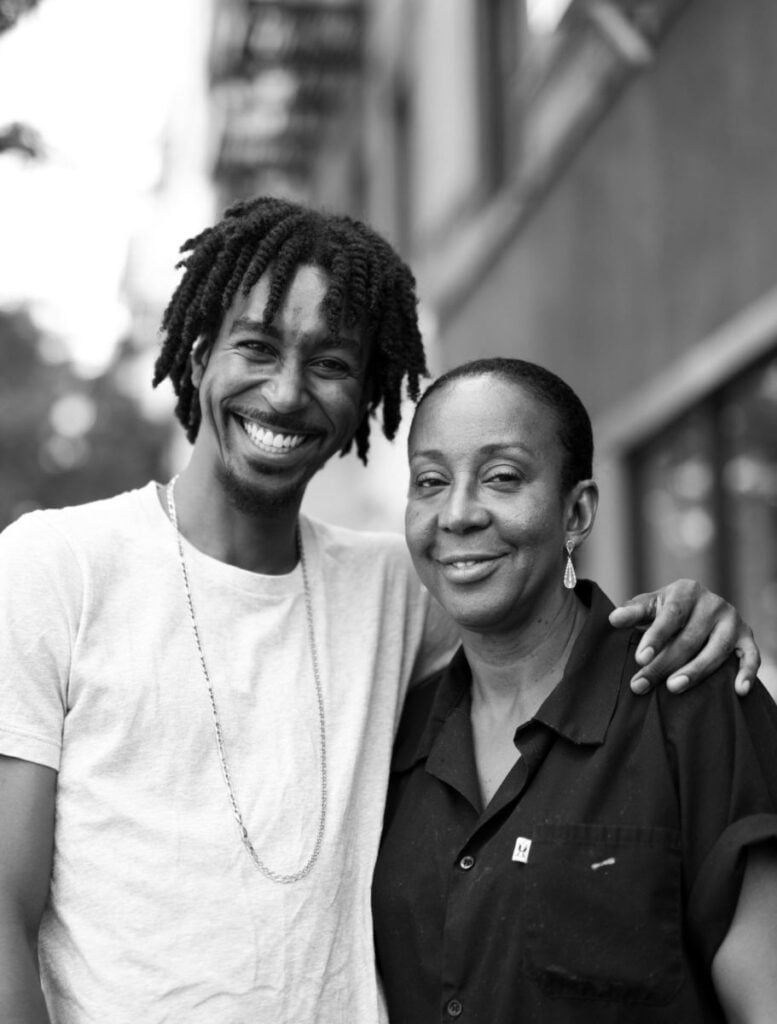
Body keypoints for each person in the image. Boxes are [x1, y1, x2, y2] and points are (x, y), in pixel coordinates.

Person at [0, 198, 762, 1024]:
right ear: (197, 357)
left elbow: (541, 617)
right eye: (256, 347)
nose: (285, 391)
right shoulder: (57, 567)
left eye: (329, 363)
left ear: (363, 397)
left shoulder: (397, 587)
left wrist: (688, 614)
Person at [372, 357, 777, 1024]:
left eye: (502, 477)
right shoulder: (394, 737)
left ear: (577, 511)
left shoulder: (690, 701)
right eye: (430, 482)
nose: (458, 513)